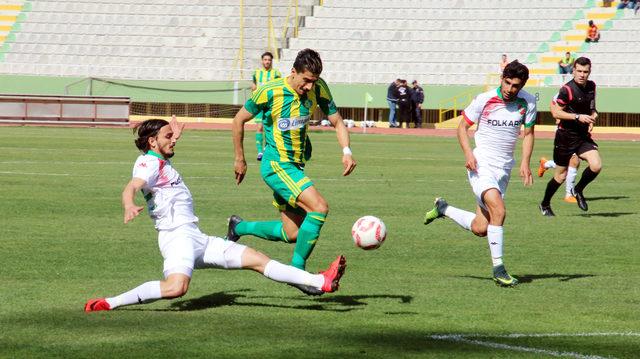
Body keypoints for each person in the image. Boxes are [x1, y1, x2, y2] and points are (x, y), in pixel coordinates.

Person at [84, 119, 346, 312]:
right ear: (152, 142)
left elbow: (160, 157)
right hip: (177, 239)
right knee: (176, 288)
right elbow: (132, 185)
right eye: (167, 137)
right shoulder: (147, 163)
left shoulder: (159, 158)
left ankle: (320, 281)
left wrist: (173, 137)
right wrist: (129, 204)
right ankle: (111, 302)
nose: (172, 139)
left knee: (257, 259)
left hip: (197, 238)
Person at [230, 48, 356, 295]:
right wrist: (239, 158)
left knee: (292, 233)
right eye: (306, 80)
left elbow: (337, 121)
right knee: (319, 207)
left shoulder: (319, 87)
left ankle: (238, 227)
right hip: (277, 165)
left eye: (313, 81)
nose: (309, 87)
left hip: (296, 165)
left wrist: (347, 151)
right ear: (293, 72)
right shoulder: (270, 91)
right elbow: (238, 120)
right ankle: (299, 273)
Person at [423, 61, 536, 287]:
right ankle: (499, 269)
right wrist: (468, 154)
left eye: (515, 85)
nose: (510, 89)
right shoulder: (484, 99)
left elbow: (529, 133)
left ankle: (443, 208)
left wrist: (525, 161)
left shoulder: (528, 101)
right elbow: (462, 127)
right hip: (481, 164)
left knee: (480, 228)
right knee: (499, 210)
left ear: (522, 85)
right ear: (501, 79)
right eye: (507, 82)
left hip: (503, 169)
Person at [539, 57, 600, 216]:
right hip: (565, 137)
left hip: (582, 136)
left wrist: (593, 116)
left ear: (589, 72)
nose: (582, 74)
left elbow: (593, 108)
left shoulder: (592, 86)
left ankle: (578, 189)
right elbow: (555, 112)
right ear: (573, 71)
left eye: (585, 71)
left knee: (596, 165)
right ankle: (545, 204)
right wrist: (578, 117)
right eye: (579, 71)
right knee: (560, 175)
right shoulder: (567, 89)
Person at [252, 52, 282, 161]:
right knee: (260, 127)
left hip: (271, 104)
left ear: (271, 61)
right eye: (265, 59)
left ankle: (266, 148)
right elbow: (254, 86)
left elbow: (279, 87)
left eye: (269, 60)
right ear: (262, 60)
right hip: (259, 104)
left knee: (269, 128)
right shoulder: (256, 73)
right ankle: (260, 152)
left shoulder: (276, 73)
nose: (267, 61)